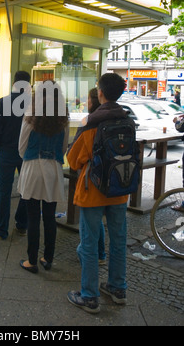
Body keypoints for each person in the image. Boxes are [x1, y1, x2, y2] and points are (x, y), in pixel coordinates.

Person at [67, 73, 131, 314]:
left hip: (92, 191)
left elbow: (73, 160)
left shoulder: (92, 123)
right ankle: (118, 288)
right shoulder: (127, 120)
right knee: (118, 239)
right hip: (119, 190)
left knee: (90, 243)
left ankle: (89, 296)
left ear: (101, 93)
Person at [18, 82, 69, 273]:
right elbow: (63, 148)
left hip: (32, 167)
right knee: (49, 217)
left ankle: (31, 260)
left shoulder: (30, 118)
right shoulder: (63, 120)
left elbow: (21, 148)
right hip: (54, 169)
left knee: (32, 217)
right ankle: (47, 258)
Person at [0, 71, 31, 240]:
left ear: (14, 83)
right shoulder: (33, 104)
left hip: (6, 151)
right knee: (26, 190)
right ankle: (21, 225)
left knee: (4, 191)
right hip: (27, 153)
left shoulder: (4, 102)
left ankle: (1, 229)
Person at [68, 87, 106, 264]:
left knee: (88, 219)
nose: (86, 102)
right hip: (112, 181)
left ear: (95, 99)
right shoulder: (117, 119)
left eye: (88, 99)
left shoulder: (88, 122)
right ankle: (101, 254)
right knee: (98, 220)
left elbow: (74, 157)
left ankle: (87, 256)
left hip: (89, 179)